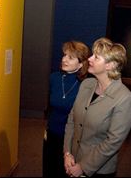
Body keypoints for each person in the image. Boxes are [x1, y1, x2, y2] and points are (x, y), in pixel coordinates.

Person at [63, 37, 131, 177]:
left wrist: (83, 167)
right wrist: (67, 153)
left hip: (99, 170)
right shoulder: (86, 84)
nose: (89, 58)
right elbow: (72, 120)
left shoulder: (125, 98)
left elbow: (113, 142)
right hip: (72, 161)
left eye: (96, 57)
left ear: (110, 65)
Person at [43, 41, 91, 178]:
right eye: (64, 55)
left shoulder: (86, 85)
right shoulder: (54, 78)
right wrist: (46, 128)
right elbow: (51, 107)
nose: (64, 59)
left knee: (66, 172)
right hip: (51, 134)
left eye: (70, 57)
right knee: (49, 170)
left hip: (71, 139)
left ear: (81, 64)